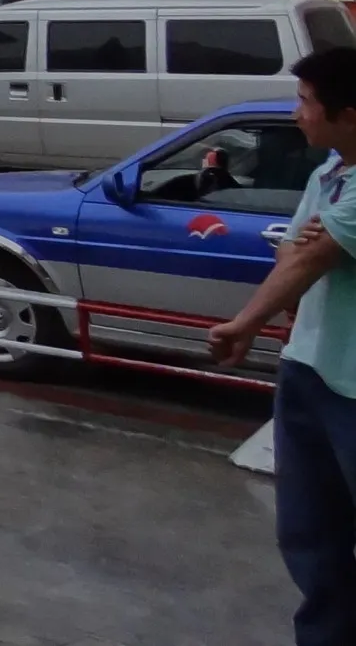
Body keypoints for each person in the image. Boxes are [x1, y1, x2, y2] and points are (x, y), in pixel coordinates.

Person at [211, 46, 356, 645]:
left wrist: (243, 324)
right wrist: (316, 243)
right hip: (309, 366)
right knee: (308, 530)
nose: (297, 114)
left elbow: (311, 257)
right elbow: (294, 250)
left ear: (348, 114)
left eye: (305, 102)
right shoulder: (329, 175)